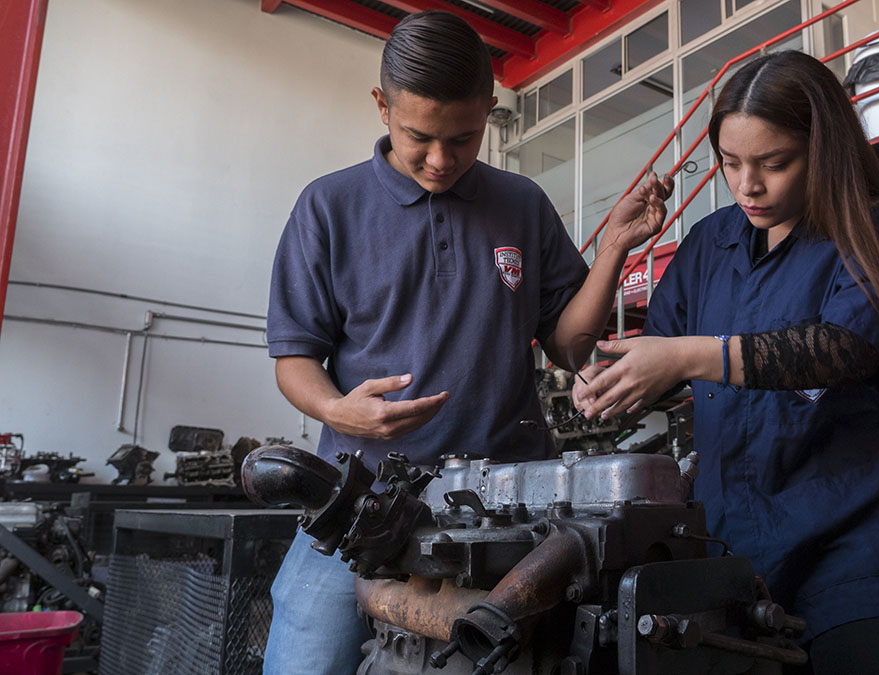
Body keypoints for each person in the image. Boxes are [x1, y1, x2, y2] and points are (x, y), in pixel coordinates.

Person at [262, 11, 671, 674]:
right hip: (358, 509)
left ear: (489, 109)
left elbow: (568, 344)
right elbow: (294, 361)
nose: (441, 159)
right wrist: (342, 411)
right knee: (306, 657)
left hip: (506, 508)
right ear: (381, 104)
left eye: (464, 137)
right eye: (419, 136)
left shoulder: (523, 204)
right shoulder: (327, 208)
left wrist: (616, 247)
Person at [573, 50, 879, 674]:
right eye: (730, 164)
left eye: (775, 163)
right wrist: (610, 368)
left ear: (824, 150)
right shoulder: (709, 243)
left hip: (857, 560)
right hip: (735, 560)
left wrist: (690, 355)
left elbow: (840, 348)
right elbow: (651, 360)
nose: (748, 185)